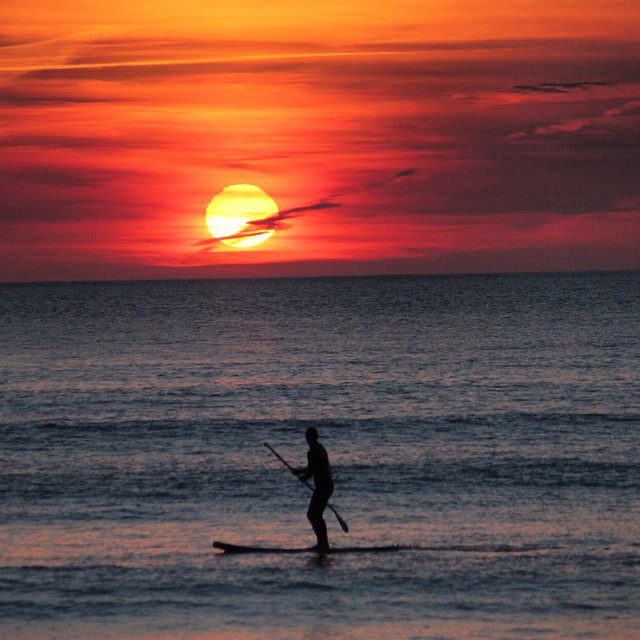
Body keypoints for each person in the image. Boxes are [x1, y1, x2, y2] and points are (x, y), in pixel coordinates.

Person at [293, 427, 334, 553]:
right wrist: (300, 472)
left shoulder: (312, 452)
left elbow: (311, 471)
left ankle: (323, 544)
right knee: (316, 515)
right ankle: (323, 544)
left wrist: (303, 476)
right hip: (327, 486)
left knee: (313, 515)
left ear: (308, 438)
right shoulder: (321, 449)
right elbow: (314, 468)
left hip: (323, 487)